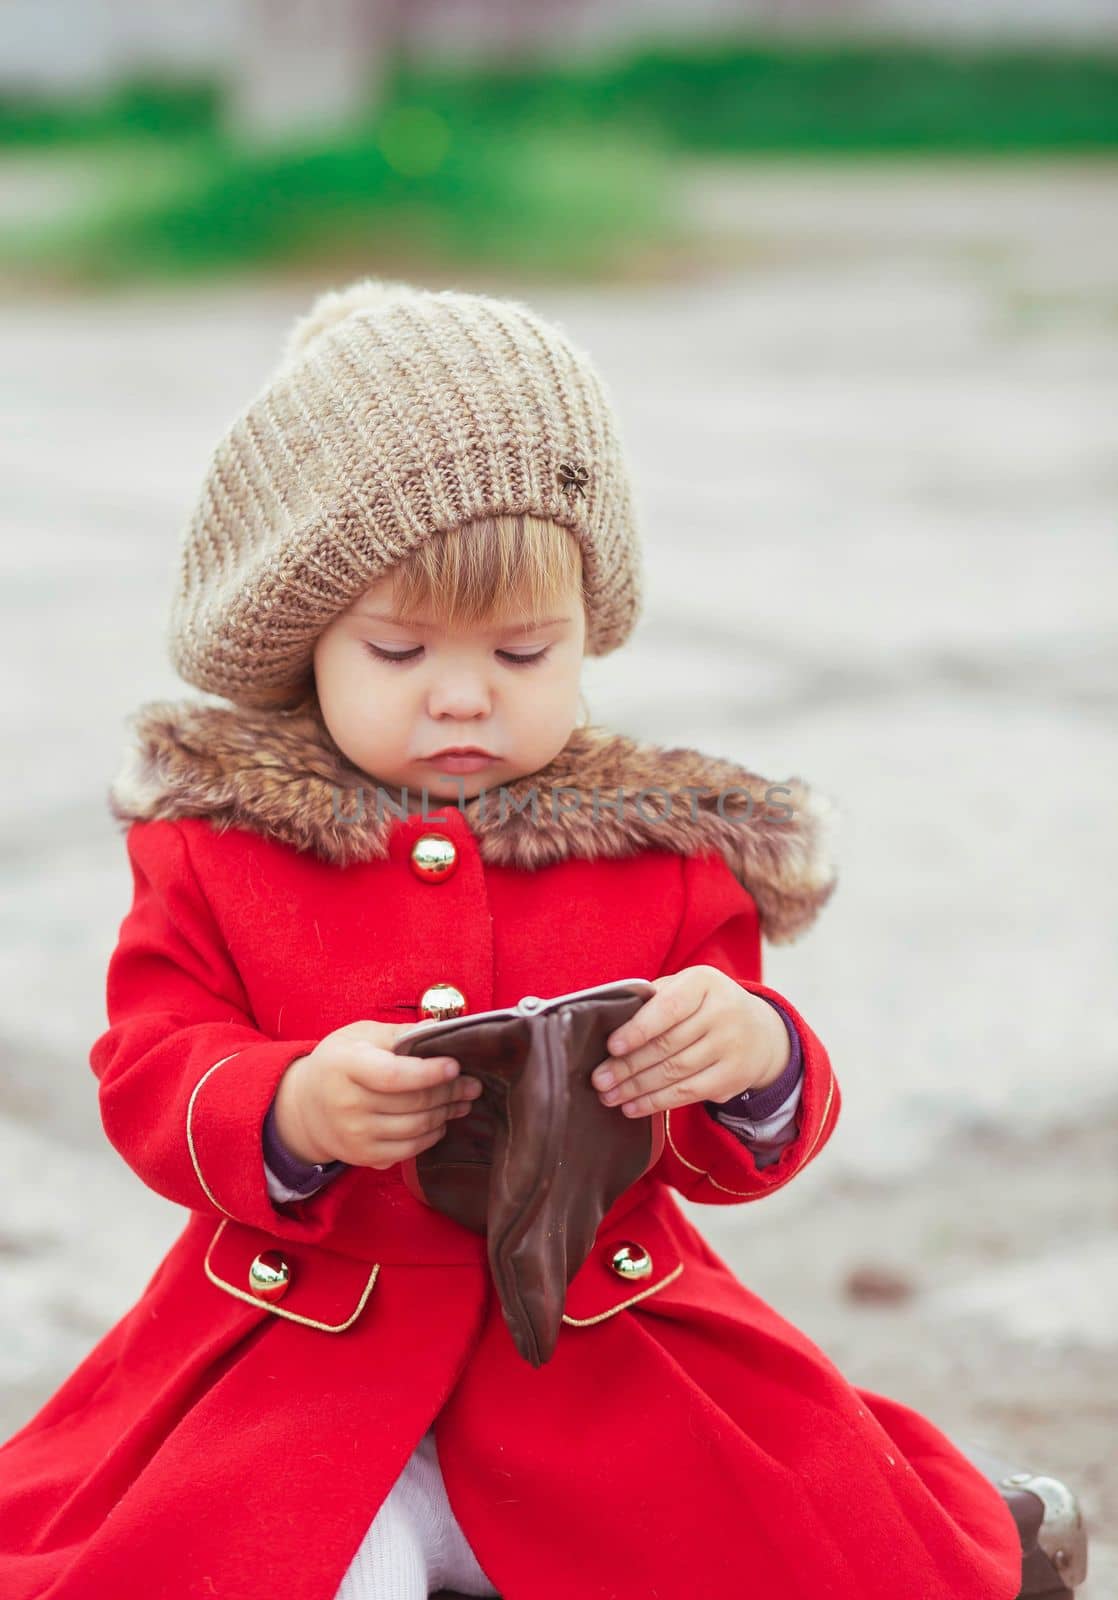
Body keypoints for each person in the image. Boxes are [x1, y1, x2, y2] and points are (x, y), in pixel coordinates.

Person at [0, 278, 1023, 1600]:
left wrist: (749, 1054)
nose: (466, 694)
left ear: (587, 634)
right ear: (302, 641)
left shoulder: (658, 851)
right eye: (399, 647)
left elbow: (729, 1153)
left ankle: (961, 1519)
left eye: (527, 652)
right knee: (252, 1558)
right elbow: (151, 1070)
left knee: (781, 1538)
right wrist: (290, 1103)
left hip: (597, 1351)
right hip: (304, 1357)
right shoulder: (220, 849)